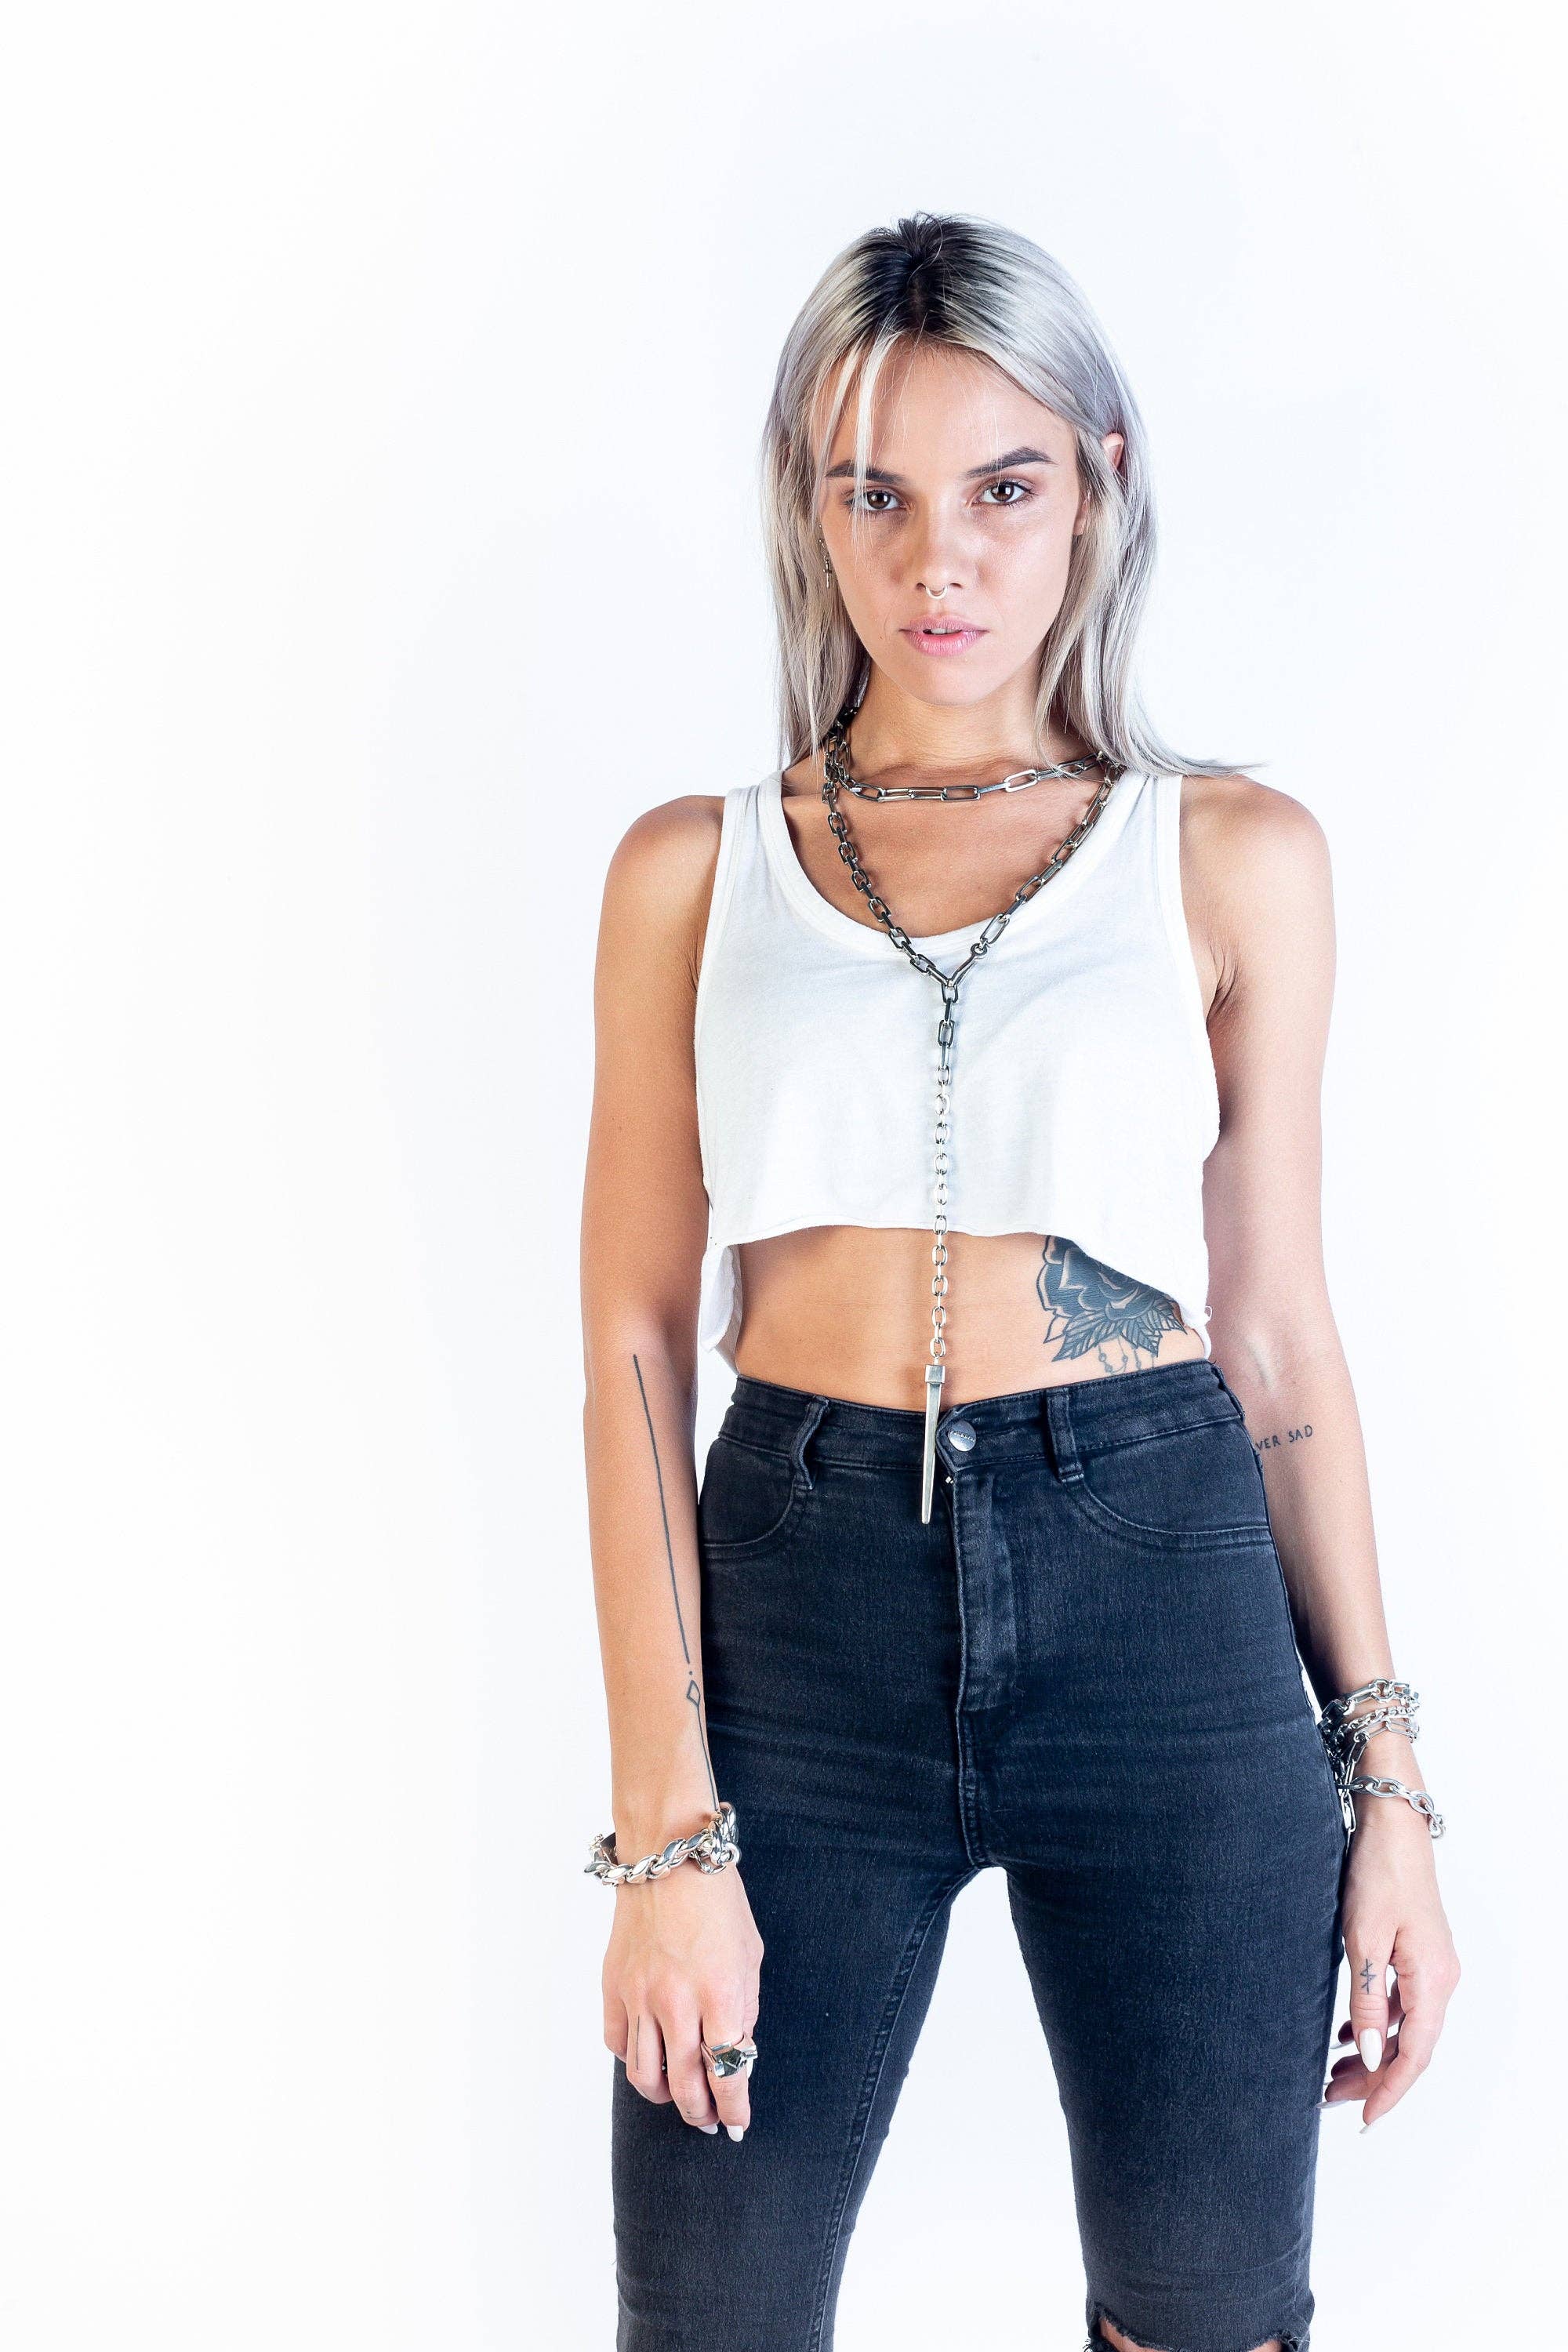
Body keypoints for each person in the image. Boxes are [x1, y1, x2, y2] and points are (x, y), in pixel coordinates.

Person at [577, 212, 1459, 2352]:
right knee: (712, 2317)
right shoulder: (698, 869)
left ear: (1099, 483)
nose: (939, 559)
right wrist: (664, 1837)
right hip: (798, 1606)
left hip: (1160, 1591)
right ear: (808, 503)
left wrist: (1392, 1792)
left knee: (1207, 2318)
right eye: (873, 493)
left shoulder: (1230, 854)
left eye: (1003, 486)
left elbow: (1276, 1332)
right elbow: (629, 1343)